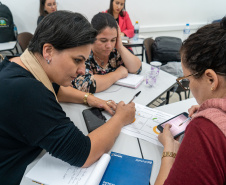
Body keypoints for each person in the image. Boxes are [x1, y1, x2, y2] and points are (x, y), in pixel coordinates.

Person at [0, 11, 136, 185]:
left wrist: (92, 99)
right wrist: (120, 118)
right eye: (77, 60)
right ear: (48, 51)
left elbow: (58, 91)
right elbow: (84, 154)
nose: (82, 70)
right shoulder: (28, 92)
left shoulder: (19, 64)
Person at [155, 18, 226, 185]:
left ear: (210, 79)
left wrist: (169, 150)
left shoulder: (207, 130)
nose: (188, 86)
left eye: (187, 79)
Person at [72, 13, 142, 93]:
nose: (109, 46)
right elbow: (87, 84)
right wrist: (117, 74)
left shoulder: (115, 51)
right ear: (92, 37)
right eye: (103, 40)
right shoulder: (85, 53)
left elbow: (137, 69)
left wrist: (120, 47)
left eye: (113, 40)